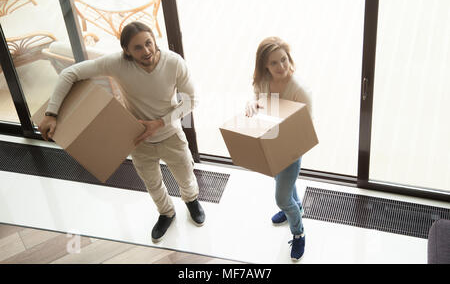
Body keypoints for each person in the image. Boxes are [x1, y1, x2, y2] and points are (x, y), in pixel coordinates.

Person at [38, 21, 205, 243]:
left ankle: (191, 201)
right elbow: (70, 73)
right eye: (137, 47)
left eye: (148, 43)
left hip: (170, 134)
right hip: (137, 139)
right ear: (126, 50)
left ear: (154, 40)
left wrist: (160, 122)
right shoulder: (117, 63)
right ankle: (166, 213)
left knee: (186, 175)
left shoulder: (174, 63)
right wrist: (51, 113)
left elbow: (191, 100)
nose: (146, 51)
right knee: (152, 183)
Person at [245, 36, 312, 261]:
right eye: (274, 63)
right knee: (284, 184)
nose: (281, 66)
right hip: (270, 144)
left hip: (290, 149)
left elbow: (305, 127)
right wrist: (252, 104)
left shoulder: (299, 89)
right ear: (265, 65)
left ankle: (298, 232)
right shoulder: (262, 82)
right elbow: (257, 100)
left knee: (282, 197)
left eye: (283, 60)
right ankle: (296, 207)